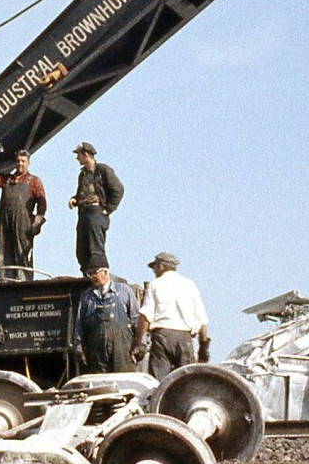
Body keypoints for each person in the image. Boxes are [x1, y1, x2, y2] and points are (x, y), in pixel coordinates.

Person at [131, 251, 210, 381]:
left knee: (158, 383)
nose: (154, 271)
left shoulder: (155, 284)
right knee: (187, 381)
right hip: (184, 338)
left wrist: (137, 342)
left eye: (155, 268)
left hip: (162, 337)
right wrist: (203, 347)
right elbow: (201, 319)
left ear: (161, 266)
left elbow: (145, 316)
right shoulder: (189, 284)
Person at [0, 149, 47, 281]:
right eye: (18, 161)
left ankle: (25, 282)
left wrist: (38, 220)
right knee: (4, 252)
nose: (20, 164)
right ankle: (5, 281)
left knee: (22, 253)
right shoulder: (7, 179)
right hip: (5, 222)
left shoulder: (34, 181)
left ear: (28, 163)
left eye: (23, 161)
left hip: (24, 224)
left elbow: (42, 202)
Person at [73, 255, 139, 373]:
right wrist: (79, 348)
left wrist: (140, 345)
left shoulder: (124, 291)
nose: (91, 277)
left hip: (123, 354)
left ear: (105, 272)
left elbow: (136, 321)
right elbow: (79, 325)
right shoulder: (86, 297)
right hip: (96, 356)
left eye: (94, 273)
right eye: (89, 274)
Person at [67, 142, 123, 276]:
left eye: (78, 155)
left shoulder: (103, 170)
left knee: (95, 248)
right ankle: (87, 276)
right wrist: (75, 199)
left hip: (96, 213)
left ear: (85, 154)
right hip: (84, 213)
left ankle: (100, 276)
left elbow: (118, 189)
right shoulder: (83, 174)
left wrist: (108, 209)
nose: (77, 158)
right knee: (82, 249)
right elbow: (83, 193)